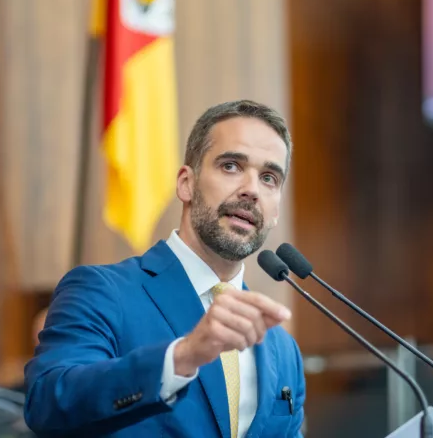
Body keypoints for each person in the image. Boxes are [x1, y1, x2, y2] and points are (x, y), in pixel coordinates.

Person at [24, 100, 305, 437]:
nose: (251, 190)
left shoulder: (282, 348)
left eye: (269, 178)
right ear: (186, 183)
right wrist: (182, 357)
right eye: (231, 166)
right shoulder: (101, 291)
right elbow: (48, 403)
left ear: (276, 211)